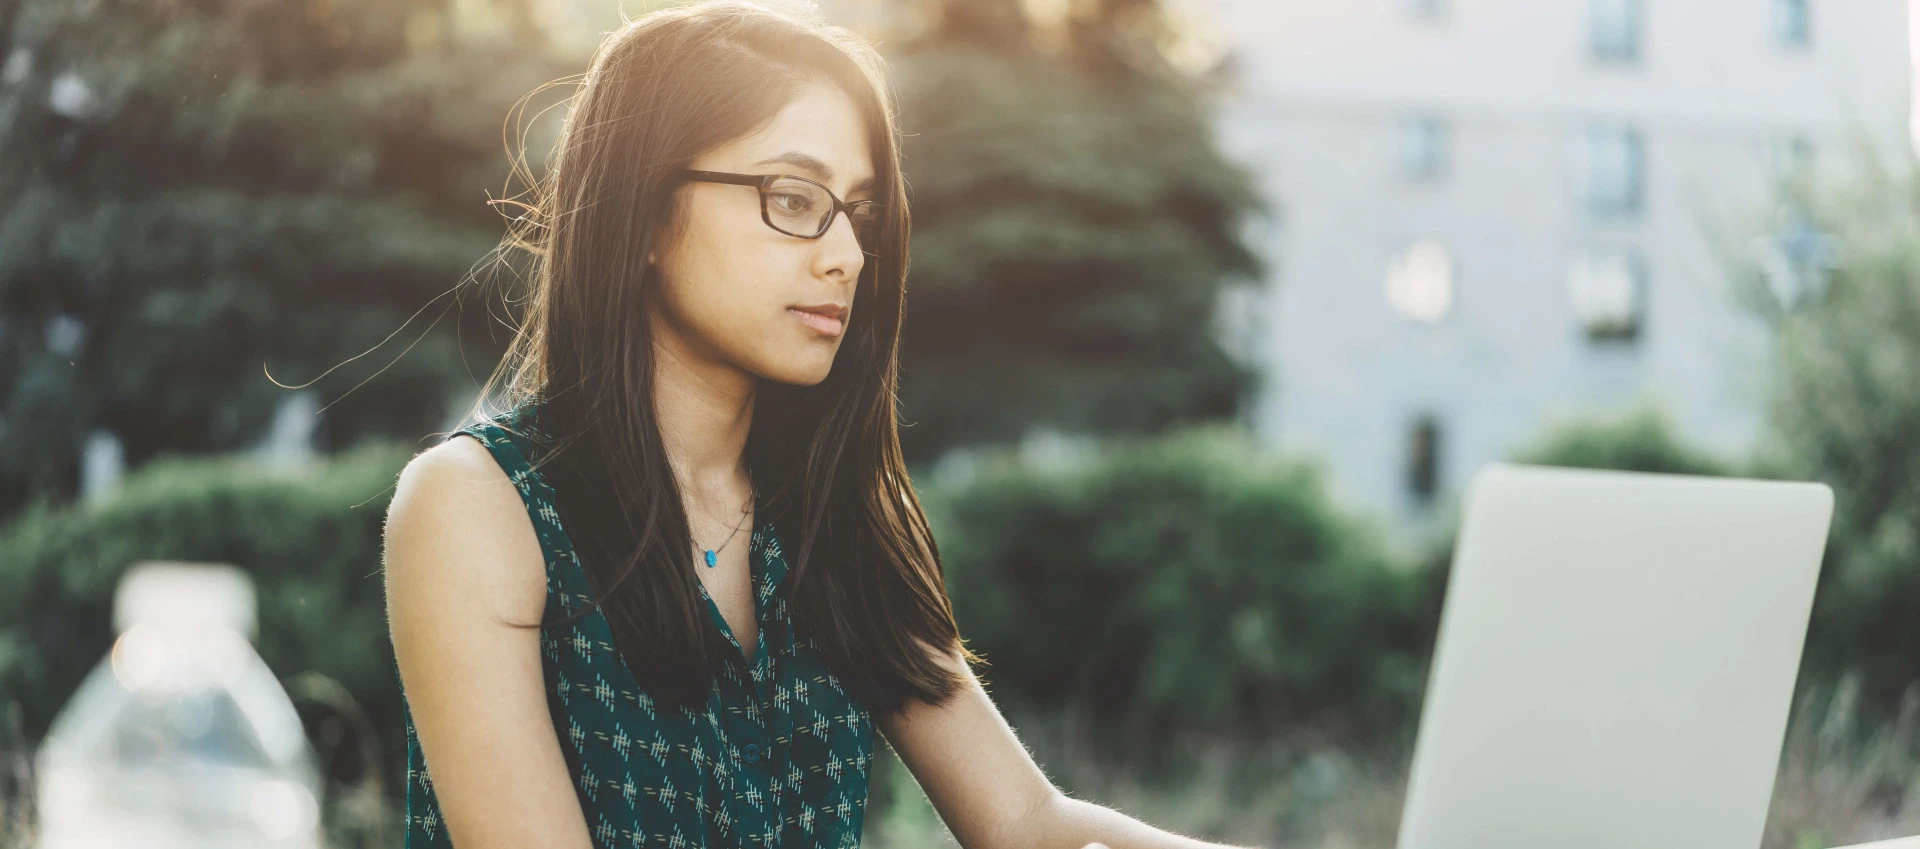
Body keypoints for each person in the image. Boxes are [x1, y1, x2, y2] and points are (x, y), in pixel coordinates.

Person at [382, 2, 1260, 847]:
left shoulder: (829, 512)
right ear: (644, 212)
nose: (846, 255)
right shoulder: (478, 507)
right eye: (794, 198)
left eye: (860, 214)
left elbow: (1028, 826)